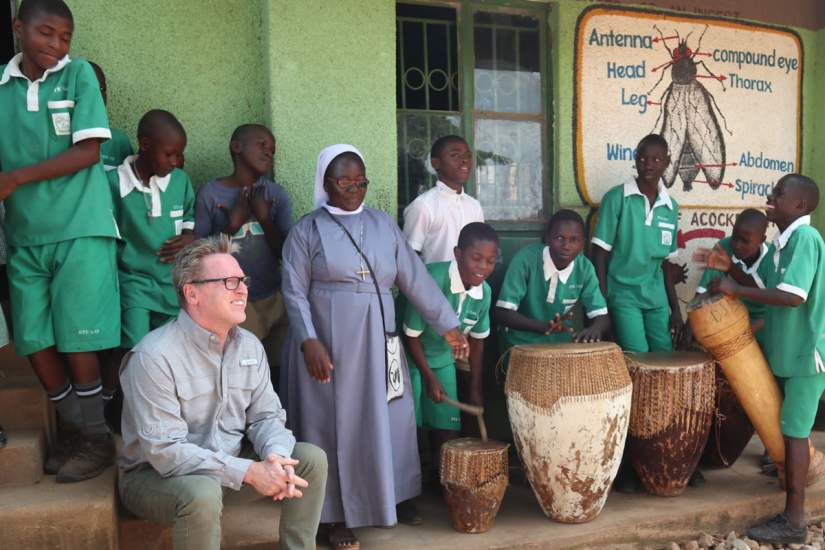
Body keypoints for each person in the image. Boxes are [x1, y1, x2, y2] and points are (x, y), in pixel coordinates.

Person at [281, 144, 469, 550]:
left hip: (380, 338)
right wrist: (308, 340)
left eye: (360, 181)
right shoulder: (306, 230)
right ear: (326, 183)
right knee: (333, 425)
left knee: (388, 417)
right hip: (329, 344)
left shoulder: (384, 224)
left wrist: (449, 326)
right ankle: (332, 515)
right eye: (344, 181)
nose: (353, 188)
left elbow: (415, 278)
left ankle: (389, 497)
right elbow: (294, 292)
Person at [118, 235, 327, 550]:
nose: (243, 289)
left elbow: (266, 416)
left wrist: (275, 456)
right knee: (202, 493)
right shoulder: (153, 357)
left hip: (228, 469)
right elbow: (166, 453)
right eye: (229, 281)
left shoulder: (249, 345)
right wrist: (250, 471)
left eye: (243, 280)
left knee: (309, 459)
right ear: (192, 293)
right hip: (157, 479)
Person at [0, 0, 119, 482]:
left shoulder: (79, 77)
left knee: (78, 335)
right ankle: (84, 429)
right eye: (46, 33)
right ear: (17, 28)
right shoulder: (1, 87)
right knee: (33, 337)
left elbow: (89, 150)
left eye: (64, 37)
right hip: (26, 234)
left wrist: (15, 178)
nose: (55, 45)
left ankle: (91, 439)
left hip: (80, 227)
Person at [708, 174, 825, 545]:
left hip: (807, 354)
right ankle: (791, 504)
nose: (770, 197)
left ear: (801, 206)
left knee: (794, 433)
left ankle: (794, 519)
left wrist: (734, 288)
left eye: (779, 194)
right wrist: (730, 270)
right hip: (790, 354)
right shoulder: (780, 243)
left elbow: (793, 295)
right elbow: (762, 288)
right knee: (788, 429)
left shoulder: (805, 238)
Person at [104, 109, 195, 427]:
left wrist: (188, 238)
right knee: (136, 350)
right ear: (144, 144)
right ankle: (124, 413)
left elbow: (190, 225)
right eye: (169, 153)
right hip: (134, 283)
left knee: (171, 350)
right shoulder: (113, 183)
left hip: (170, 284)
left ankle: (167, 416)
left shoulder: (180, 181)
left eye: (179, 154)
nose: (175, 161)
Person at [195, 124, 292, 383]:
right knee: (241, 374)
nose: (269, 152)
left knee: (277, 371)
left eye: (272, 149)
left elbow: (287, 253)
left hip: (273, 298)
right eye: (262, 145)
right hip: (233, 302)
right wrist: (232, 226)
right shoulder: (210, 194)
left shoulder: (275, 195)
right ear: (236, 147)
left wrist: (265, 219)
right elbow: (199, 257)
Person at [403, 222, 497, 487]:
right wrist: (429, 378)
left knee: (448, 428)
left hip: (442, 358)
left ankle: (442, 483)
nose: (482, 267)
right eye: (475, 258)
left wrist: (476, 388)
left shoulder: (484, 293)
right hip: (412, 357)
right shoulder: (432, 280)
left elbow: (477, 343)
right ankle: (409, 489)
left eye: (490, 261)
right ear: (457, 254)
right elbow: (411, 336)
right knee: (411, 425)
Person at [591, 133, 683, 353]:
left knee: (664, 354)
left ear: (667, 162)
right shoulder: (617, 198)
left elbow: (666, 265)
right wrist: (602, 306)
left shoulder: (670, 207)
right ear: (635, 159)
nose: (648, 165)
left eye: (656, 160)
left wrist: (676, 310)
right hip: (623, 295)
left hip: (656, 297)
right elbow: (599, 255)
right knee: (638, 355)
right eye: (642, 159)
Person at [496, 209, 609, 348]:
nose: (566, 246)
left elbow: (602, 316)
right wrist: (542, 326)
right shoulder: (525, 260)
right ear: (548, 238)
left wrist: (595, 329)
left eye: (574, 240)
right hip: (521, 345)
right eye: (559, 238)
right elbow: (502, 313)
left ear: (582, 243)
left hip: (561, 345)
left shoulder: (584, 268)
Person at [693, 208, 773, 343]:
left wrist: (754, 327)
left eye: (745, 241)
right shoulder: (724, 247)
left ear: (761, 239)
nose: (737, 245)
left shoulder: (773, 257)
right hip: (731, 321)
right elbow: (703, 294)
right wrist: (692, 325)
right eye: (735, 237)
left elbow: (780, 303)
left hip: (767, 324)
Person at [402, 135, 484, 263]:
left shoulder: (474, 206)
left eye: (467, 156)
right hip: (435, 282)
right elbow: (408, 259)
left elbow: (480, 250)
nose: (464, 161)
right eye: (455, 155)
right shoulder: (423, 206)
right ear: (436, 163)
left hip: (471, 283)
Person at [89, 61, 133, 171]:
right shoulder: (56, 139)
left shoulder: (119, 141)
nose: (98, 97)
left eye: (102, 89)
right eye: (90, 90)